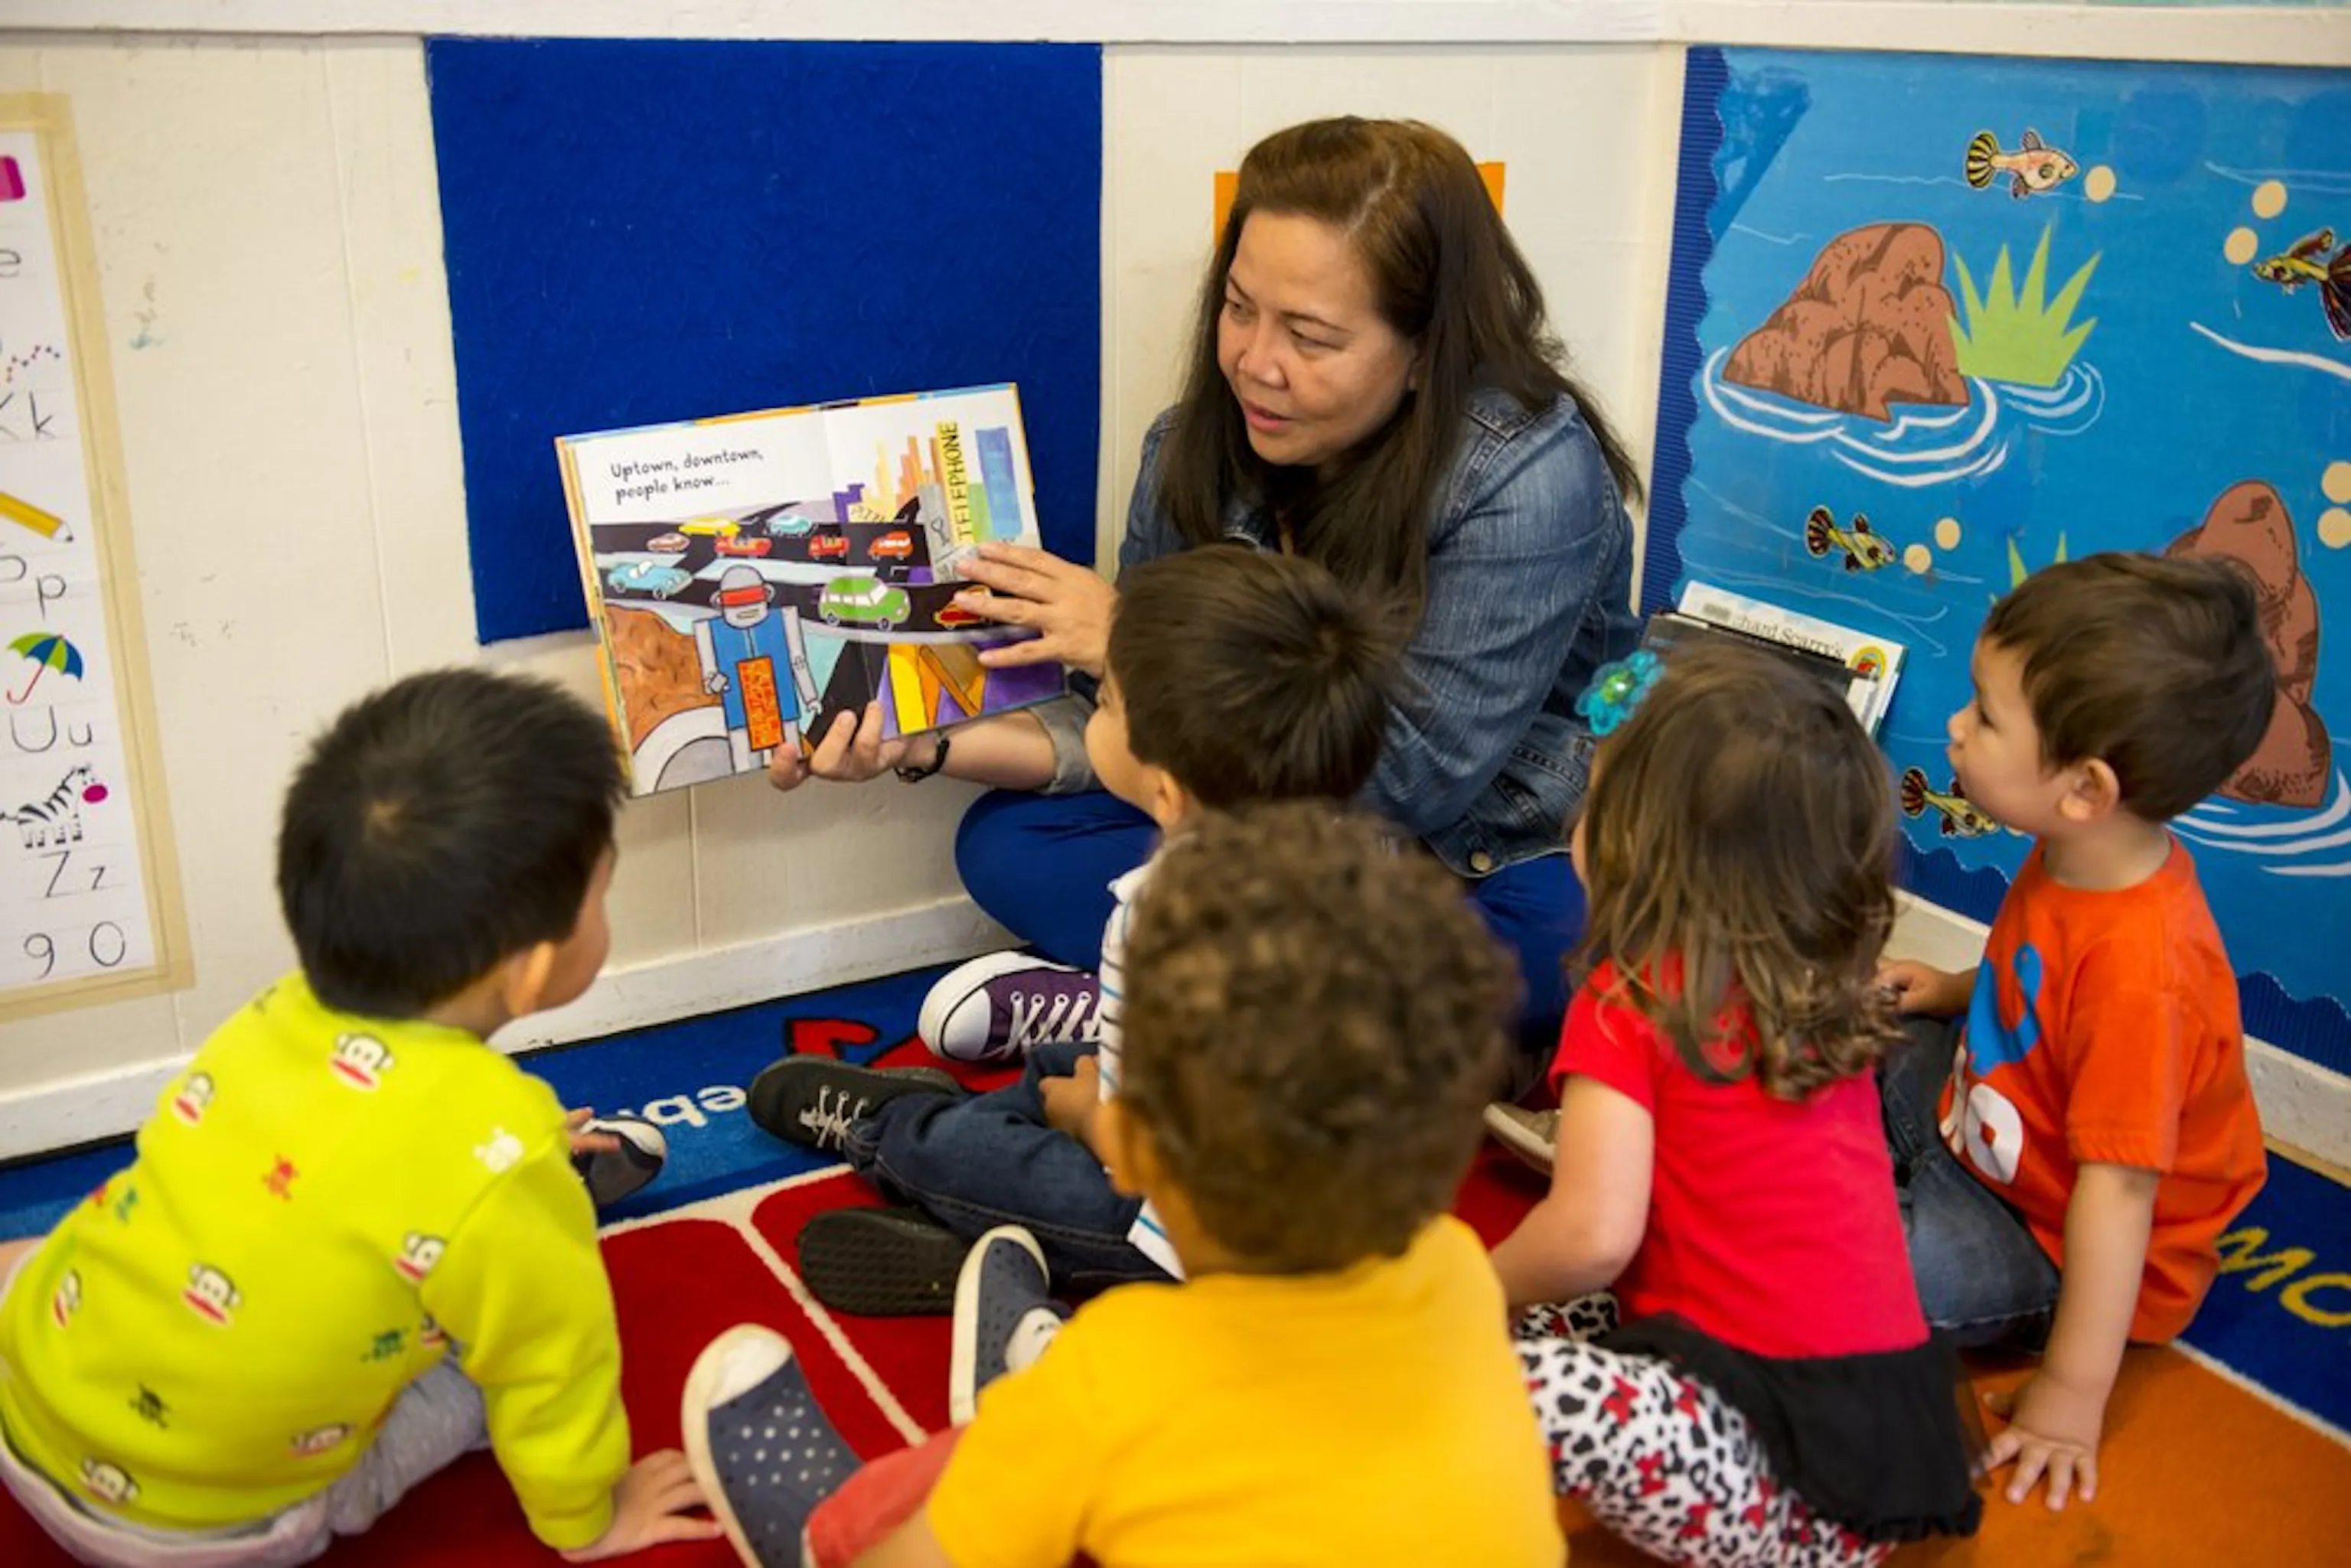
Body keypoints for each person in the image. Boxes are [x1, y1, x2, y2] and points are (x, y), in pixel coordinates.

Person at [765, 115, 1642, 1061]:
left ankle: (1157, 994)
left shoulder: (1528, 475)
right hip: (1277, 853)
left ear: (1427, 347)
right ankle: (1263, 1010)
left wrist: (1127, 635)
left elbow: (1413, 783)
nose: (1256, 364)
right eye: (1238, 308)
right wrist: (925, 743)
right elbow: (1134, 730)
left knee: (1558, 940)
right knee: (1008, 843)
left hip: (1467, 853)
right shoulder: (1198, 443)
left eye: (1310, 337)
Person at [683, 804, 1564, 1568]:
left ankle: (829, 1531)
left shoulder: (1121, 1371)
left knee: (1022, 1461)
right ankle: (1012, 1411)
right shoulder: (1458, 1274)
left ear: (1131, 1149)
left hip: (1093, 1412)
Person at [0, 670, 719, 1566]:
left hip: (27, 1405)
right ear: (535, 969)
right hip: (211, 1534)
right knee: (485, 1362)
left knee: (77, 1243)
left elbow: (330, 1145)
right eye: (601, 893)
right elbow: (553, 1370)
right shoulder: (503, 1143)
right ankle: (503, 1236)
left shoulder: (271, 1015)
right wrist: (590, 1517)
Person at [745, 545, 1405, 1302]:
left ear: (1166, 792)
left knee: (984, 1149)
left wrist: (1087, 1116)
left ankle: (902, 1143)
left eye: (1110, 702)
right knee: (1066, 1059)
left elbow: (1145, 1158)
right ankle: (983, 1174)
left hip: (1200, 1244)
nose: (1096, 709)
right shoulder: (1361, 879)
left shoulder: (1164, 921)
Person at [1490, 642, 1980, 1566]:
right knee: (1556, 1315)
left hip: (1762, 1488)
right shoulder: (1813, 986)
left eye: (1592, 802)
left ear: (1640, 850)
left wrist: (1475, 1290)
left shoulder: (1629, 1001)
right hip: (1870, 1469)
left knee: (1503, 1351)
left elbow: (1591, 1237)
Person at [1877, 552, 2274, 1513]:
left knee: (1874, 1275)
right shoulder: (2076, 850)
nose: (1956, 727)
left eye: (1985, 715)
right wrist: (1953, 990)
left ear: (2086, 789)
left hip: (2059, 1239)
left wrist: (2069, 1395)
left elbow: (2118, 1199)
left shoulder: (2145, 975)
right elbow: (2036, 982)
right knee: (1851, 1030)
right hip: (1990, 1124)